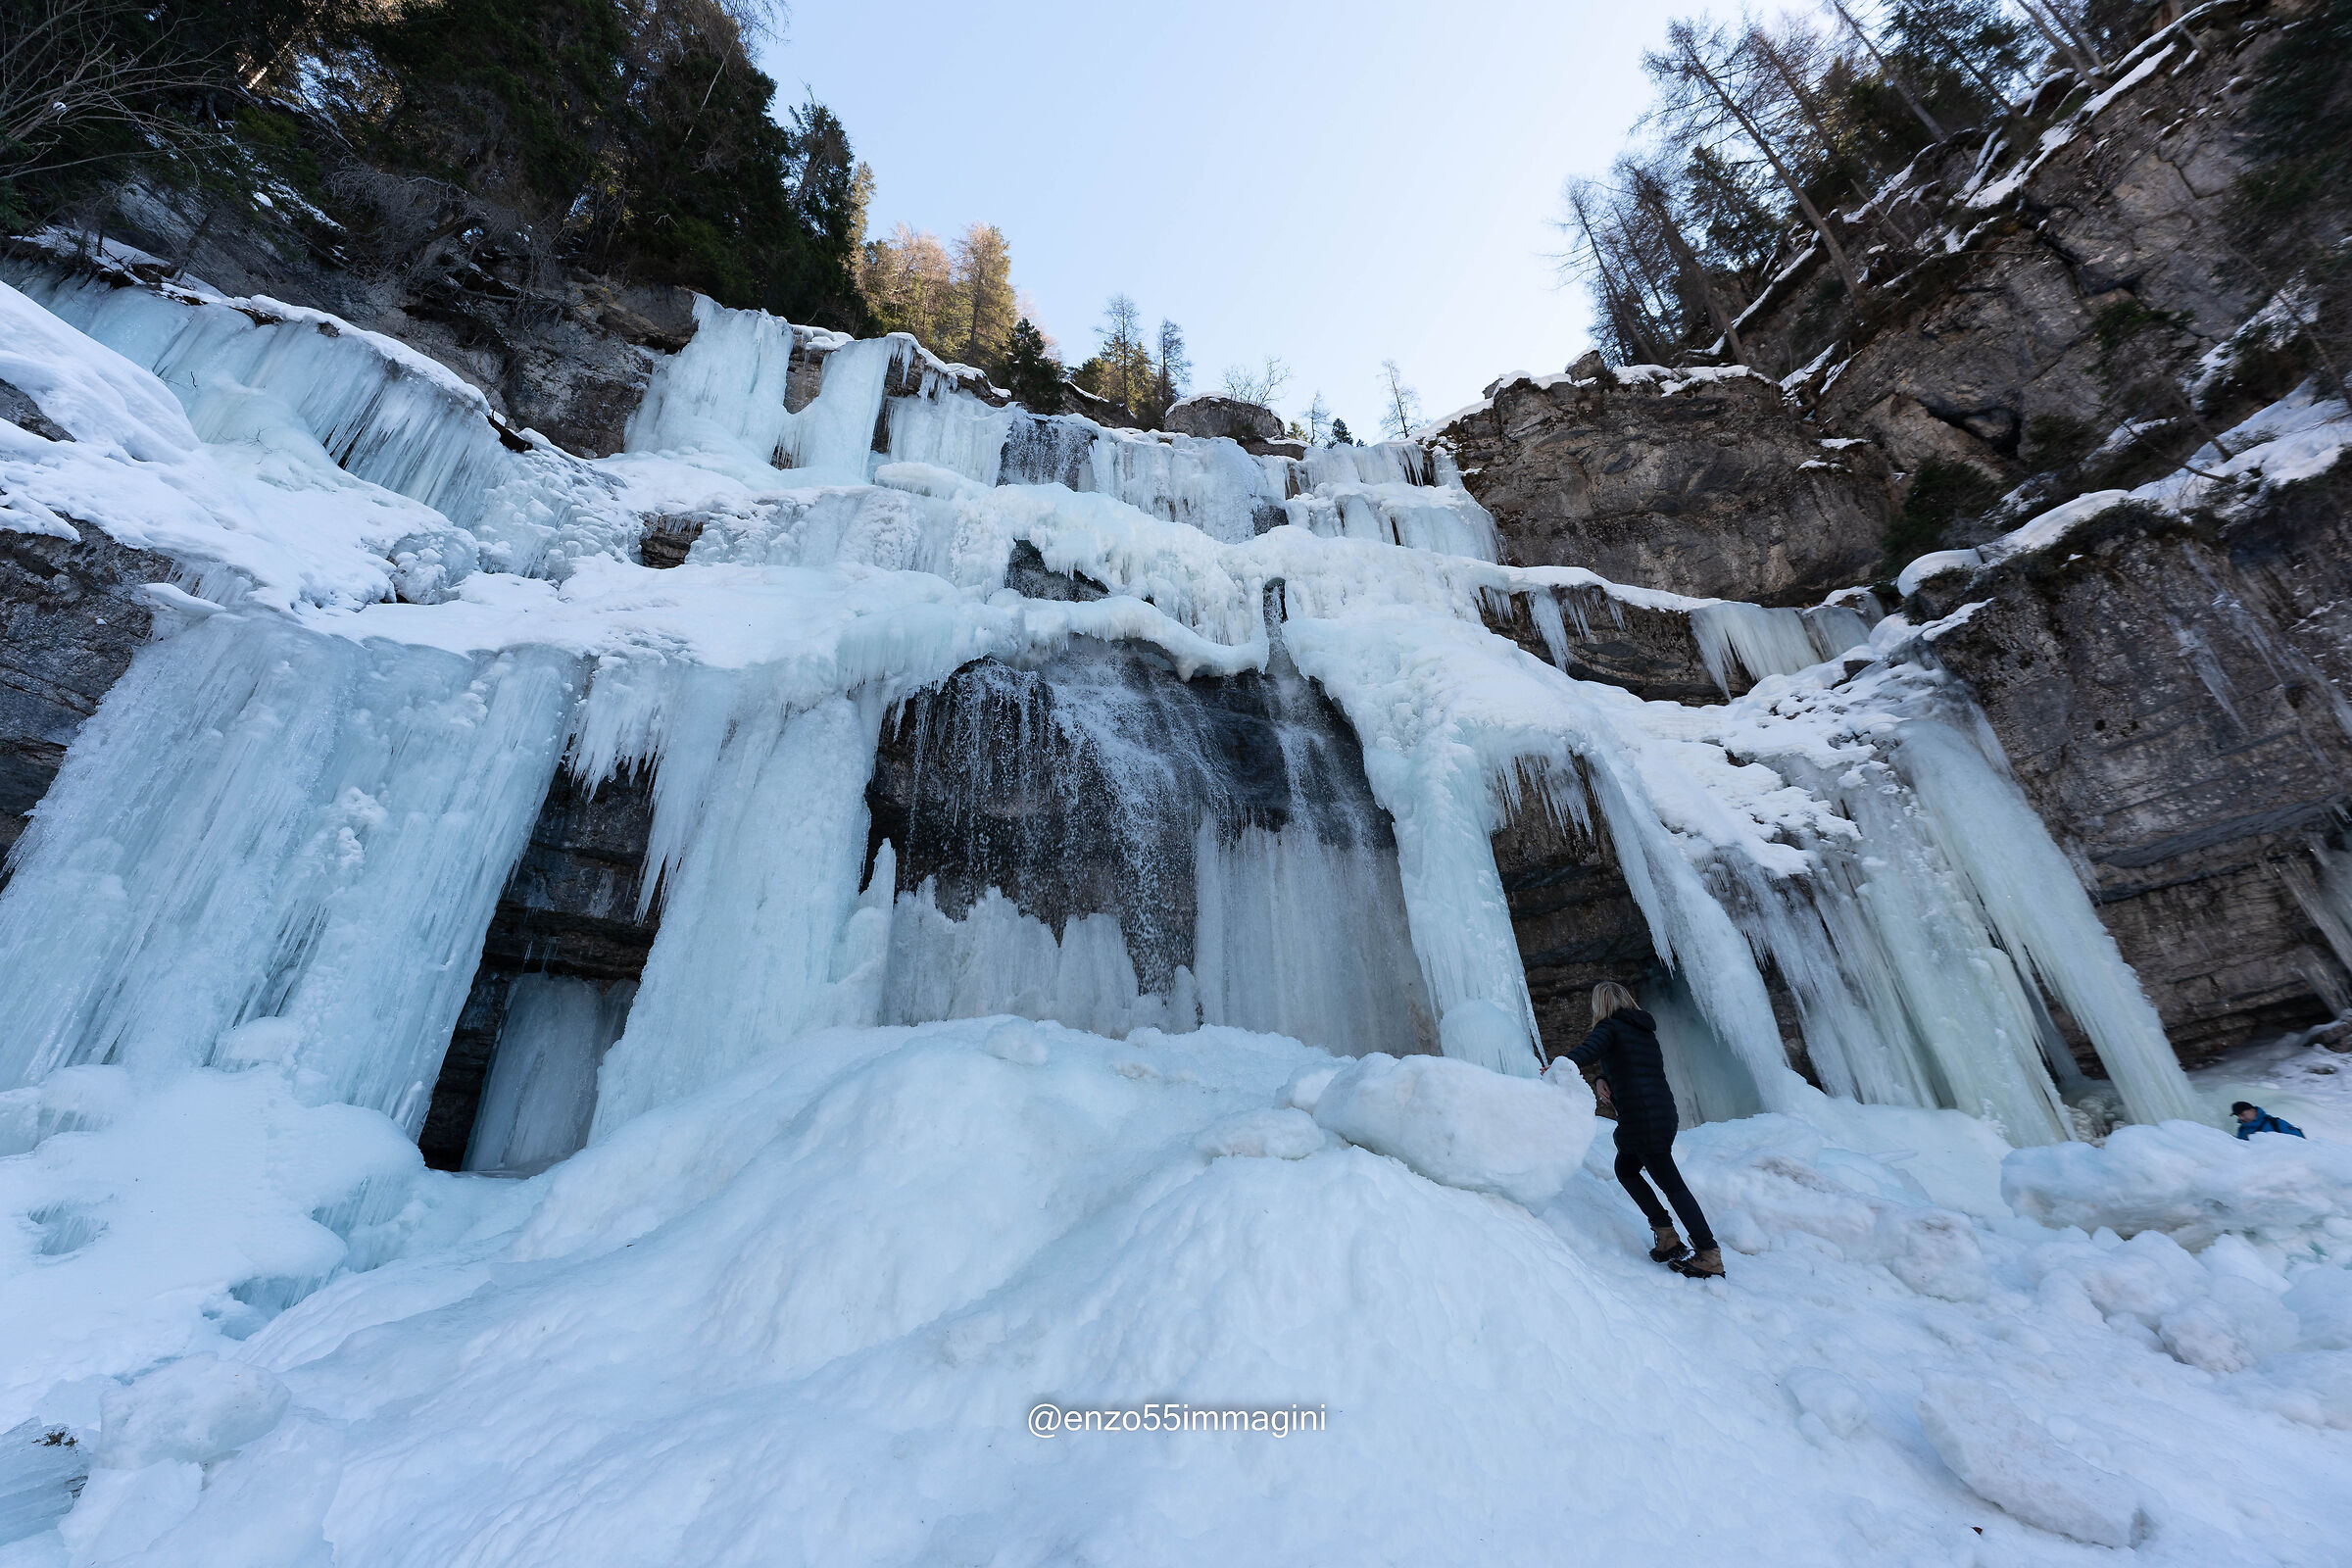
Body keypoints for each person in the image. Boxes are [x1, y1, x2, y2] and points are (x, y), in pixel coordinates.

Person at [1557, 981, 1722, 1279]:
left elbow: (1588, 1051)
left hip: (1642, 1119)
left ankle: (1708, 1253)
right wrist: (1601, 1078)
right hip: (1660, 1114)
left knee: (1672, 1186)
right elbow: (1629, 1064)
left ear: (1600, 1005)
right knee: (1626, 1169)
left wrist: (1559, 1066)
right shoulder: (1642, 1032)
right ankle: (1667, 1236)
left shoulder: (1608, 1027)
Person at [2231, 1102, 2305, 1140]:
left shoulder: (2275, 1123)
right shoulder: (2242, 1129)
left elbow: (2300, 1142)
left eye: (2243, 1114)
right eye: (2238, 1116)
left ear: (2253, 1111)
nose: (2241, 1118)